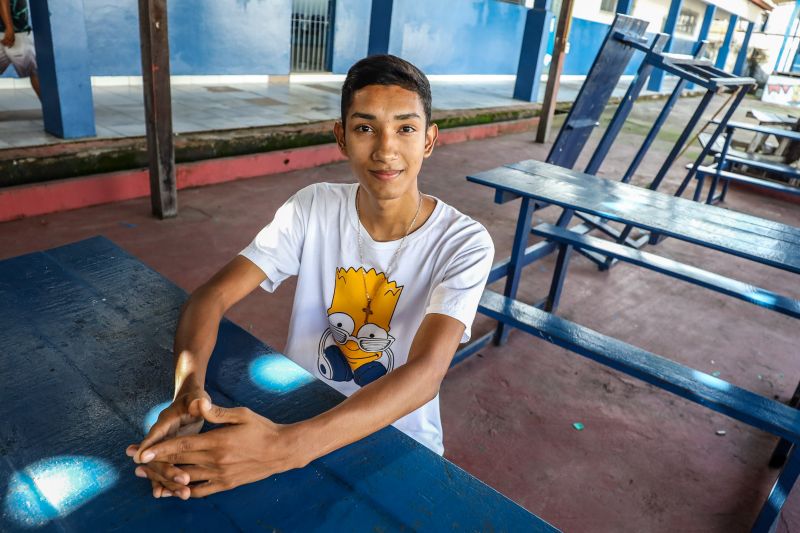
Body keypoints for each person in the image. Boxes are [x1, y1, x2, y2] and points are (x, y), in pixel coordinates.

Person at [126, 54, 494, 500]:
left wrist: (285, 449)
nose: (385, 150)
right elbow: (211, 296)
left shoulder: (464, 242)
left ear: (429, 140)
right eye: (365, 128)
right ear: (341, 137)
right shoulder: (313, 207)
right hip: (297, 412)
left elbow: (425, 374)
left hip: (397, 443)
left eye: (405, 128)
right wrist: (188, 394)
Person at [0, 0, 40, 99]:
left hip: (6, 32)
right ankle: (51, 107)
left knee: (35, 74)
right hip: (17, 34)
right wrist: (10, 28)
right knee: (36, 74)